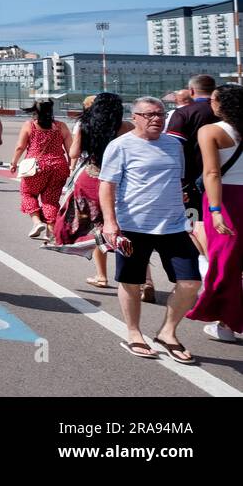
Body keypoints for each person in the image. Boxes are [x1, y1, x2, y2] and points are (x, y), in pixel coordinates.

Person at [101, 96, 201, 362]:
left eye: (161, 114)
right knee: (132, 282)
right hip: (133, 225)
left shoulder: (174, 145)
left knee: (191, 282)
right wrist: (110, 222)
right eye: (149, 115)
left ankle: (167, 332)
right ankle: (134, 333)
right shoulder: (120, 146)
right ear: (135, 117)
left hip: (173, 225)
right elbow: (107, 185)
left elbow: (175, 181)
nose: (157, 119)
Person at [53, 92, 132, 288]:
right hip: (123, 181)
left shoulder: (85, 125)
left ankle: (102, 276)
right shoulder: (127, 127)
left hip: (93, 179)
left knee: (99, 228)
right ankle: (145, 280)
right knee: (130, 230)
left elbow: (74, 153)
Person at [188, 84, 243, 343]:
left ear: (221, 104)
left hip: (226, 199)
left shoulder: (210, 131)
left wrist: (215, 209)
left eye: (213, 100)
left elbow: (212, 173)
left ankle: (226, 322)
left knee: (225, 263)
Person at [166, 74, 218, 253]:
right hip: (229, 175)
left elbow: (173, 148)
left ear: (192, 90)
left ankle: (206, 263)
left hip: (193, 178)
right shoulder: (228, 111)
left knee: (197, 222)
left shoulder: (184, 113)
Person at [10, 100, 72, 240]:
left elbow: (20, 146)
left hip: (36, 167)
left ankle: (37, 222)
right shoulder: (61, 126)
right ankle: (50, 232)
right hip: (58, 166)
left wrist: (13, 162)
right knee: (50, 200)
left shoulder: (30, 125)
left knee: (28, 193)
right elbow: (70, 149)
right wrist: (70, 165)